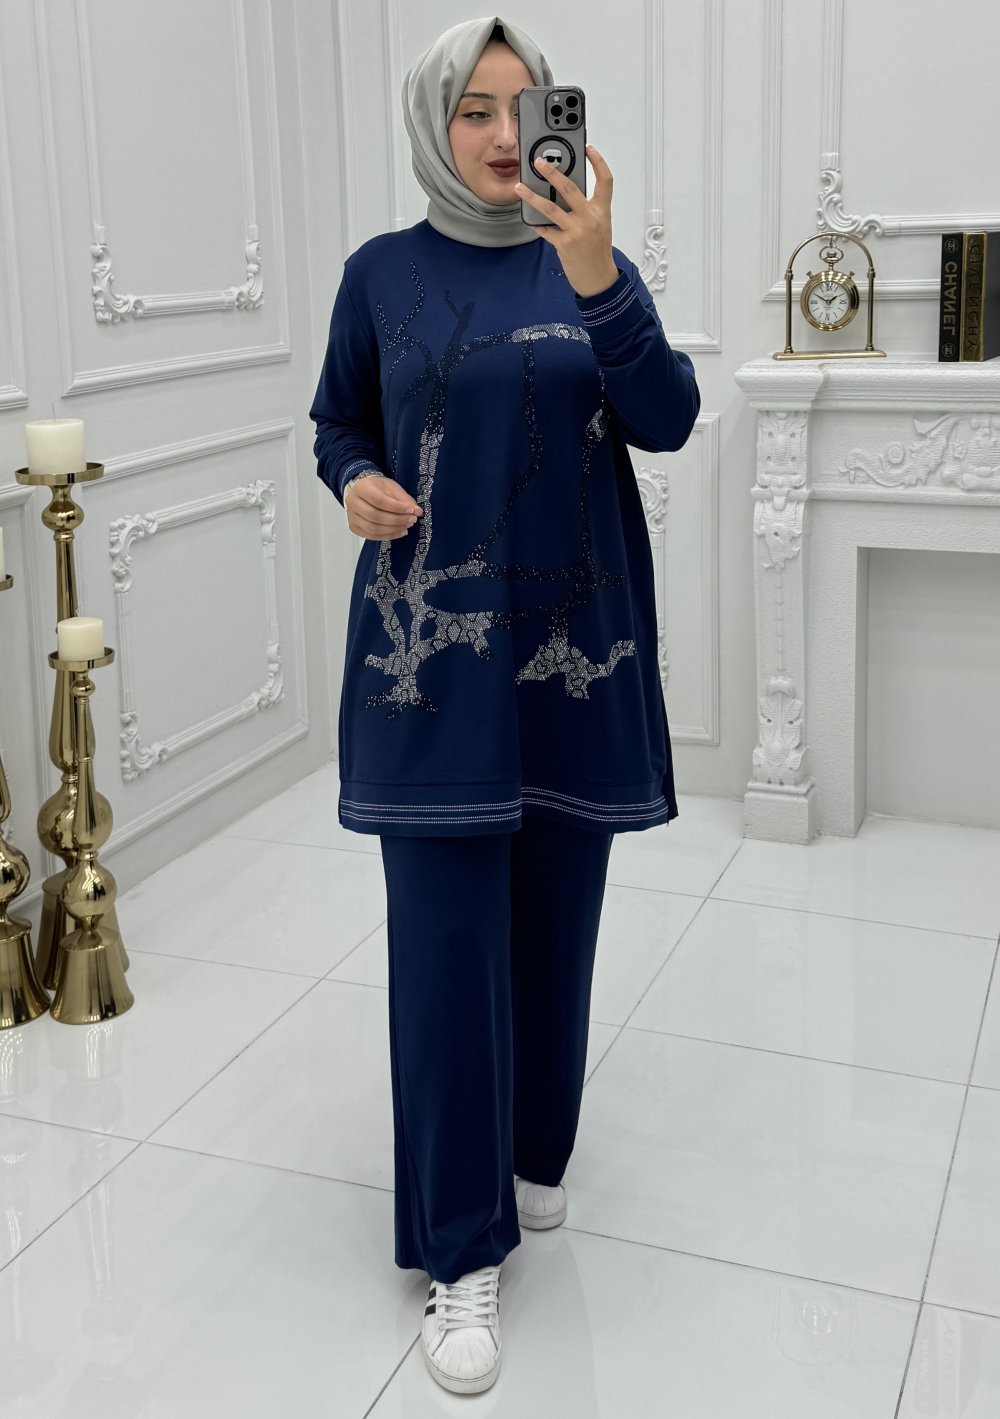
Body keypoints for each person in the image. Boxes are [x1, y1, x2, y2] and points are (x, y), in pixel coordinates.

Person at [310, 14, 700, 1397]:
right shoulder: (378, 274)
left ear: (556, 124)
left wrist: (598, 274)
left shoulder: (586, 259)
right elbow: (339, 422)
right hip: (429, 664)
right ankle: (458, 1249)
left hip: (571, 656)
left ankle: (536, 1151)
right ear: (435, 123)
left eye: (521, 107)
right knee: (445, 952)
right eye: (471, 109)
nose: (497, 134)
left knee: (555, 928)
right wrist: (351, 481)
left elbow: (667, 418)